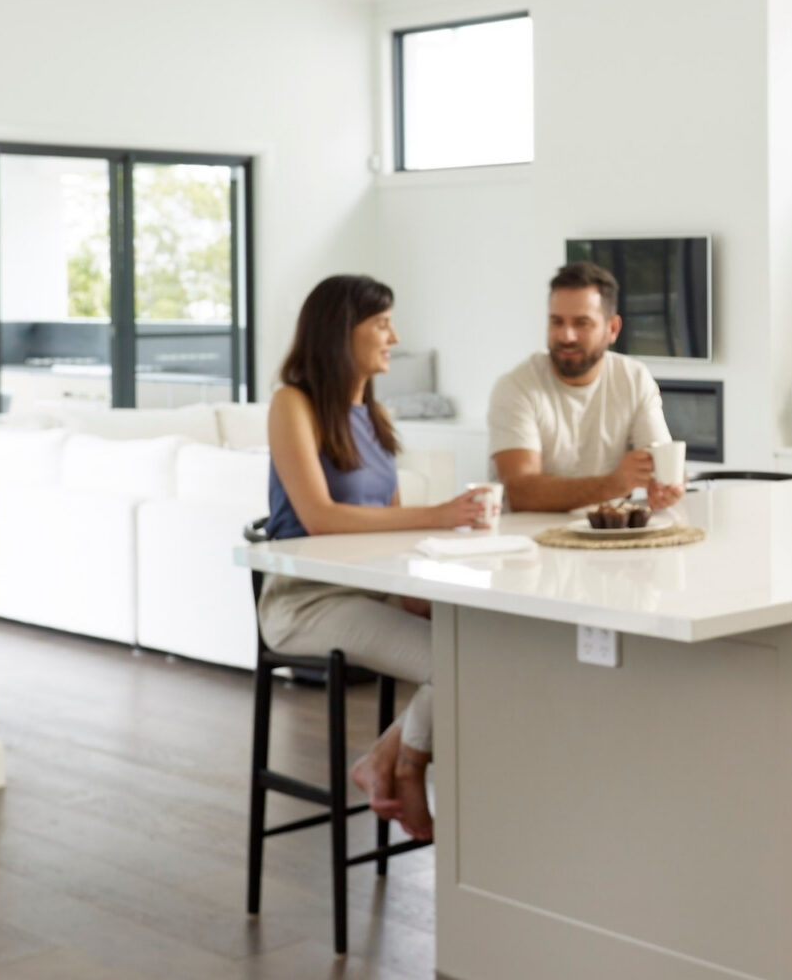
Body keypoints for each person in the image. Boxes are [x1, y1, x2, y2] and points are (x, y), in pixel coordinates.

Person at [260, 274, 488, 840]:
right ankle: (407, 768)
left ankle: (381, 760)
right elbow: (320, 516)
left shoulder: (374, 418)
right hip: (305, 602)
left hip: (366, 591)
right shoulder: (293, 404)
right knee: (453, 661)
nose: (394, 336)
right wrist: (438, 514)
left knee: (488, 641)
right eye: (382, 323)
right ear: (343, 332)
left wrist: (417, 585)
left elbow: (389, 527)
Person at [488, 261, 688, 513]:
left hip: (608, 533)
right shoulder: (516, 386)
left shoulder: (633, 378)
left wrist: (668, 486)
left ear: (612, 328)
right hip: (531, 539)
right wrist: (615, 483)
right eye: (557, 322)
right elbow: (521, 492)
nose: (566, 336)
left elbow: (664, 464)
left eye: (581, 323)